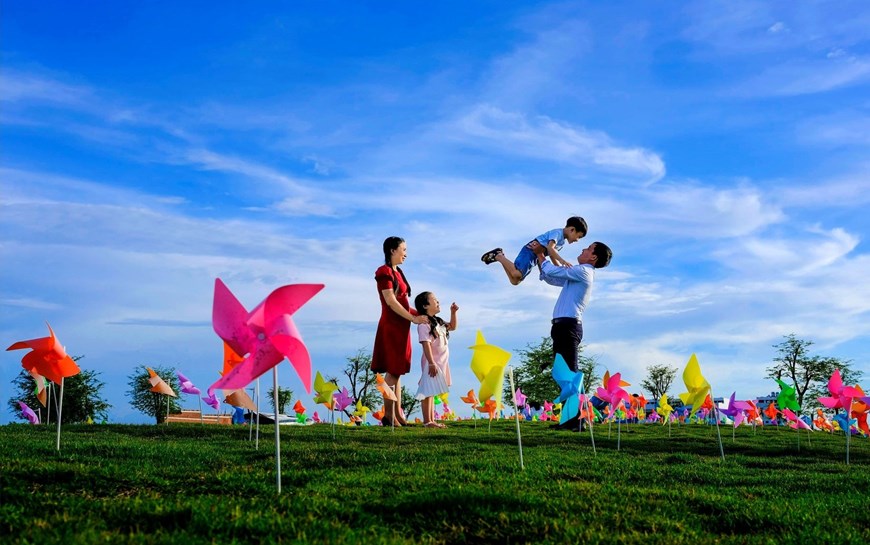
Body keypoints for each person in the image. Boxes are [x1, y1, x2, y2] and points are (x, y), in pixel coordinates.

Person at [537, 241, 612, 431]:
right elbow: (551, 277)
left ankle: (577, 421)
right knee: (564, 376)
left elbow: (554, 271)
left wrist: (541, 255)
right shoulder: (578, 273)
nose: (583, 249)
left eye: (587, 248)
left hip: (568, 327)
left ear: (593, 257)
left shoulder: (584, 271)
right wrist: (541, 258)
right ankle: (571, 420)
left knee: (569, 376)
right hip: (562, 327)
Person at [371, 236, 429, 427]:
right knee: (393, 371)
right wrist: (413, 318)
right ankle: (388, 416)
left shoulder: (399, 272)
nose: (406, 253)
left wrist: (421, 315)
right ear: (392, 251)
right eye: (403, 249)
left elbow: (403, 303)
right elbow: (390, 301)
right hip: (392, 327)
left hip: (402, 327)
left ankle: (398, 416)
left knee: (397, 373)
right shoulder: (384, 272)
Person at [481, 216, 588, 286]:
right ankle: (499, 256)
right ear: (572, 229)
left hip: (535, 258)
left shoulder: (561, 243)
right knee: (517, 274)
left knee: (515, 281)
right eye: (578, 237)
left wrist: (559, 268)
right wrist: (563, 261)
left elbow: (552, 254)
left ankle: (499, 257)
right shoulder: (558, 233)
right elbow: (550, 249)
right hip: (530, 251)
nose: (577, 240)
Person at [413, 291, 458, 428]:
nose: (438, 301)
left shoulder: (438, 322)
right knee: (427, 391)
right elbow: (426, 344)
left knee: (431, 391)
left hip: (441, 362)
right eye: (435, 300)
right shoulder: (424, 324)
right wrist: (431, 362)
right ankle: (428, 421)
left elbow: (453, 327)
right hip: (432, 362)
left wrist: (453, 312)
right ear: (425, 306)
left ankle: (431, 420)